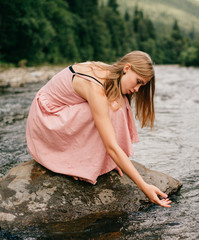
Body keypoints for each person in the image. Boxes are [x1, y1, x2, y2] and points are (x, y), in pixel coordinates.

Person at [26, 51, 171, 208]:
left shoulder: (112, 74)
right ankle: (71, 160)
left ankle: (98, 160)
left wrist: (114, 161)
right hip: (47, 120)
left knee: (115, 104)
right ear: (127, 68)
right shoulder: (95, 86)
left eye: (141, 85)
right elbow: (111, 147)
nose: (137, 89)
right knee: (107, 109)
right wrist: (144, 186)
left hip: (59, 117)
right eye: (138, 82)